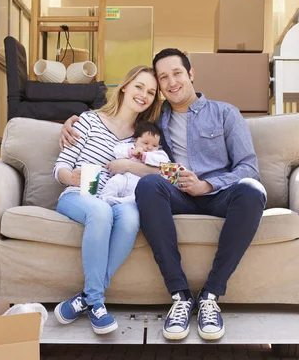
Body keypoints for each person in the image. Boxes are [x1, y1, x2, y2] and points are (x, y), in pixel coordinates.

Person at [60, 48, 266, 341]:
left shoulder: (225, 112)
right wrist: (68, 121)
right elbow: (118, 117)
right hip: (177, 195)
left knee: (252, 190)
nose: (171, 82)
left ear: (191, 74)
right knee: (147, 186)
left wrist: (207, 185)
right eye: (163, 78)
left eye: (177, 73)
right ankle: (180, 296)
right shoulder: (156, 119)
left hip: (218, 195)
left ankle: (210, 296)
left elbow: (249, 168)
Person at [52, 65, 161, 335]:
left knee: (133, 217)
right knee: (100, 212)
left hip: (119, 200)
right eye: (139, 86)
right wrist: (72, 177)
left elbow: (163, 172)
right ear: (124, 86)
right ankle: (97, 302)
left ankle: (85, 298)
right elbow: (60, 167)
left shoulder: (145, 137)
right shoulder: (88, 121)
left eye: (150, 92)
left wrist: (126, 165)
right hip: (78, 196)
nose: (143, 95)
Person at [99, 121, 170, 205]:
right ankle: (105, 198)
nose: (149, 147)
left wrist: (145, 156)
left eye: (154, 145)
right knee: (114, 182)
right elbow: (117, 151)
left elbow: (165, 163)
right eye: (145, 143)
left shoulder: (158, 153)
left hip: (137, 181)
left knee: (138, 194)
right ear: (135, 140)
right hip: (123, 177)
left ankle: (122, 202)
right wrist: (132, 152)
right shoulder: (130, 147)